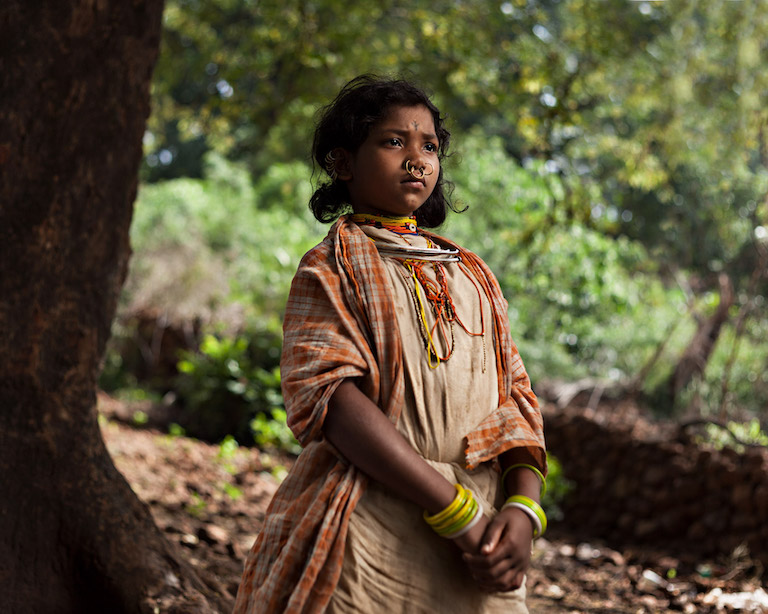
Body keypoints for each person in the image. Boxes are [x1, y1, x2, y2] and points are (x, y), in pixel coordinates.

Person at [234, 75, 547, 614]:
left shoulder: (472, 274)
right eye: (393, 141)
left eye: (429, 145)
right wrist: (454, 511)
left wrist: (522, 510)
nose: (416, 159)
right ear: (342, 164)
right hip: (369, 529)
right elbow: (331, 400)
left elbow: (515, 402)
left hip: (480, 542)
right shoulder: (331, 267)